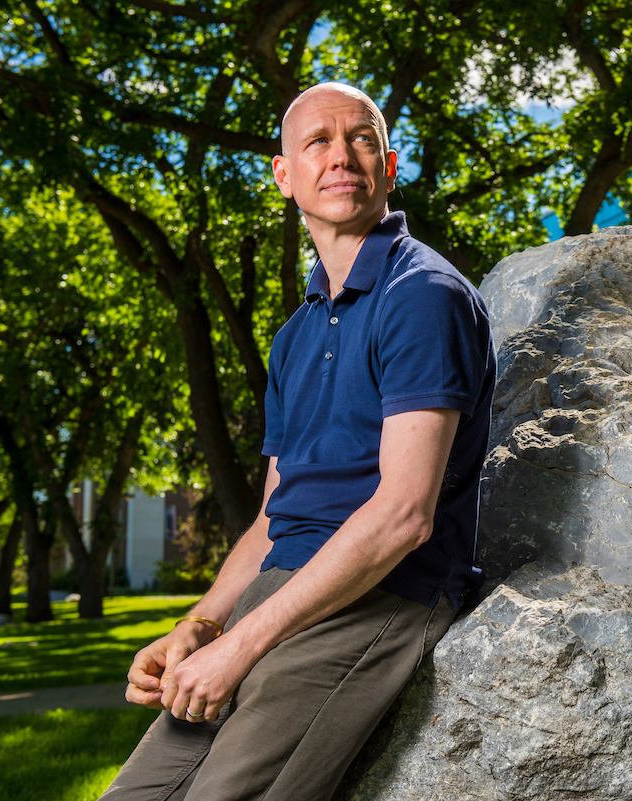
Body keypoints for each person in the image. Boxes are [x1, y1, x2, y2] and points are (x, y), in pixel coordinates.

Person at [100, 82, 495, 800]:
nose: (341, 156)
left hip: (381, 594)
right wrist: (202, 624)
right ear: (285, 177)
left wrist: (242, 647)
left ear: (390, 164)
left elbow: (404, 515)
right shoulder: (295, 334)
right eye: (317, 141)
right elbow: (272, 516)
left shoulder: (423, 297)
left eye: (361, 139)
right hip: (280, 591)